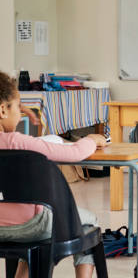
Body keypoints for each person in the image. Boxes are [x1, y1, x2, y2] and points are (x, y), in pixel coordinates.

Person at [0, 71, 107, 278]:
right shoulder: (18, 142)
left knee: (29, 227)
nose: (20, 113)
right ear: (3, 109)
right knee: (88, 220)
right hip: (32, 224)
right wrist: (92, 139)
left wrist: (16, 104)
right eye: (18, 106)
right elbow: (75, 153)